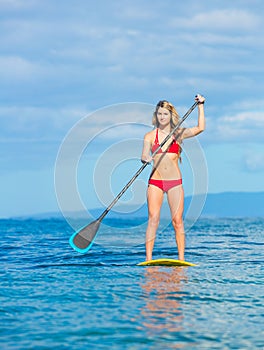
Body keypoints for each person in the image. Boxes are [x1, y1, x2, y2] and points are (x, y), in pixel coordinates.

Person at [141, 94, 205, 261]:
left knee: (177, 221)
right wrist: (145, 157)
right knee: (153, 219)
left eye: (165, 114)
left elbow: (200, 128)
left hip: (175, 183)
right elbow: (143, 154)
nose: (162, 117)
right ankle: (148, 259)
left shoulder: (178, 134)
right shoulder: (149, 136)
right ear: (156, 115)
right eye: (159, 114)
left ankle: (181, 259)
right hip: (155, 182)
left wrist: (201, 106)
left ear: (171, 116)